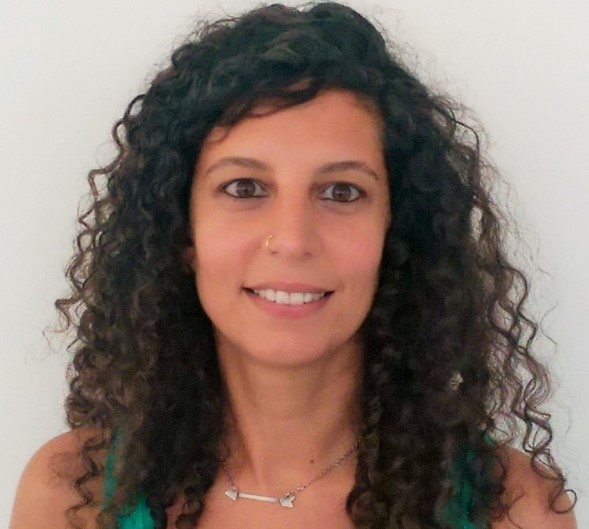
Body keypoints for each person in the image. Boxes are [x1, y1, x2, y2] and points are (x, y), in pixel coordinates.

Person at [9, 2, 577, 529]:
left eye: (341, 192)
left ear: (396, 231)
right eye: (245, 187)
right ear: (182, 232)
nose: (292, 240)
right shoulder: (71, 498)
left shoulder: (515, 510)